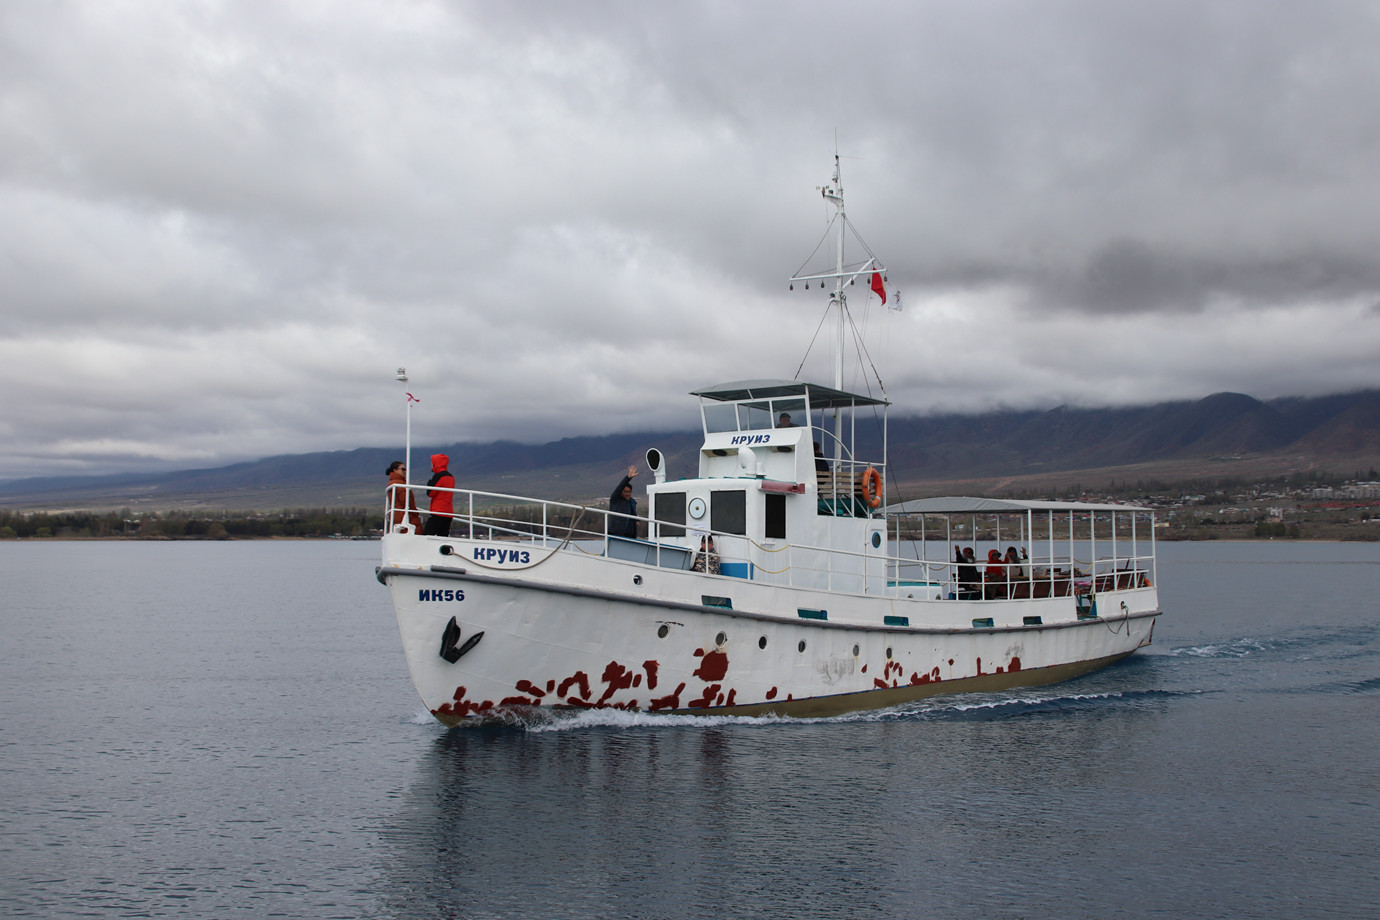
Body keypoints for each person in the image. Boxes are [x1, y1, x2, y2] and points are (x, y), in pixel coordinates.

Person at [385, 461, 421, 532]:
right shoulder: (399, 484)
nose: (405, 471)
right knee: (417, 531)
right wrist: (415, 513)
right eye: (402, 469)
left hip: (397, 515)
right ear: (395, 470)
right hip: (404, 516)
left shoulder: (392, 483)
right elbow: (406, 501)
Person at [424, 453, 455, 536]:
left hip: (438, 511)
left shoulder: (438, 476)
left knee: (427, 536)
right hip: (448, 512)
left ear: (436, 463)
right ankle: (446, 550)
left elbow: (430, 493)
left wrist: (430, 483)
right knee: (443, 538)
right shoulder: (451, 477)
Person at [608, 464, 639, 538]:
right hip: (616, 533)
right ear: (621, 492)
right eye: (625, 491)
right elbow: (619, 487)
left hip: (631, 535)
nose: (627, 494)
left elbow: (633, 514)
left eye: (629, 492)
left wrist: (637, 521)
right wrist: (628, 478)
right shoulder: (615, 499)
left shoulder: (632, 502)